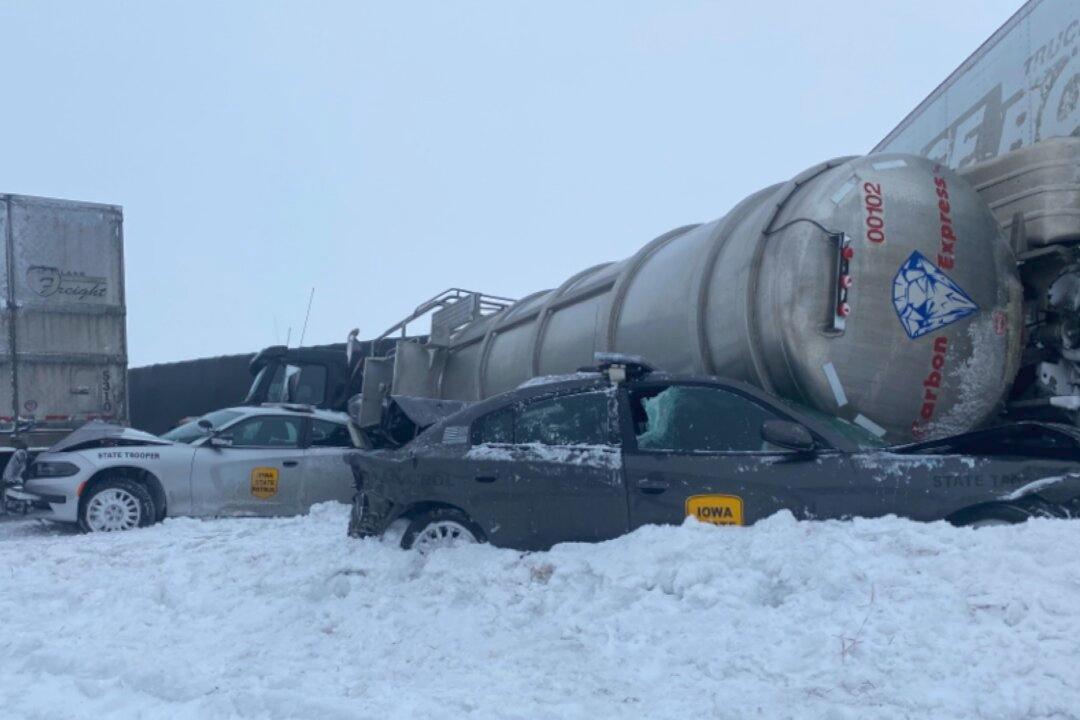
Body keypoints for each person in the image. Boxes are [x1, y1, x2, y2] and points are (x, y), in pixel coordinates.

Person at [1, 439, 29, 515]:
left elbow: (18, 467)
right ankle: (5, 509)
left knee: (4, 492)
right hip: (11, 478)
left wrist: (13, 478)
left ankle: (4, 509)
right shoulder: (20, 453)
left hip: (11, 478)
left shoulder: (20, 453)